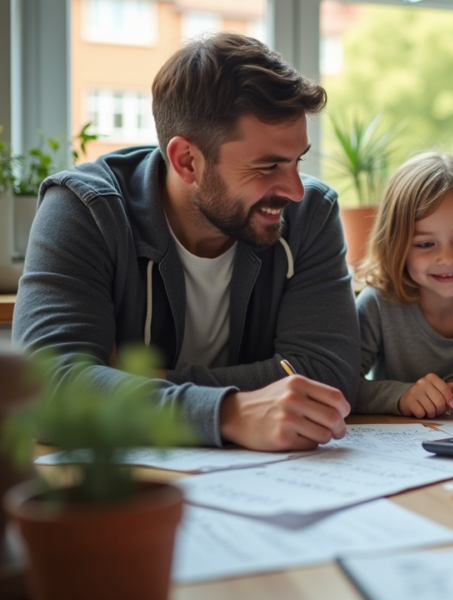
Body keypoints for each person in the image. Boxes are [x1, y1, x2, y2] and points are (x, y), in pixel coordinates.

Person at [13, 33, 359, 451]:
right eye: (268, 166)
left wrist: (140, 383)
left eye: (297, 161)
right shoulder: (86, 210)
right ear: (186, 160)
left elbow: (329, 377)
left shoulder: (310, 215)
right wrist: (228, 412)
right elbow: (46, 391)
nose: (294, 190)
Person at [354, 152, 453, 416]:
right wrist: (400, 396)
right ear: (397, 248)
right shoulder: (376, 305)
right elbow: (342, 384)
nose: (447, 258)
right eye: (425, 244)